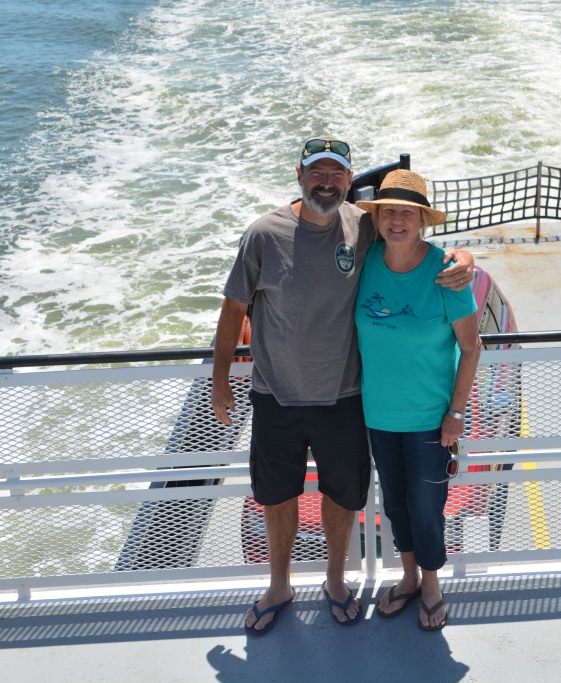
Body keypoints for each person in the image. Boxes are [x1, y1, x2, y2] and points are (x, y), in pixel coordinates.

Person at [210, 137, 474, 635]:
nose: (326, 182)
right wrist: (220, 380)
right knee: (277, 495)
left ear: (349, 183)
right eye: (317, 173)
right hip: (275, 393)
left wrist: (465, 257)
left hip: (345, 397)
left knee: (343, 494)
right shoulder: (264, 234)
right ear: (299, 175)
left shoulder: (363, 225)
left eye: (336, 175)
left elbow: (416, 243)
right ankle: (279, 584)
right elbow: (232, 308)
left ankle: (335, 581)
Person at [354, 169, 482, 631]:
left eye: (407, 212)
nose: (396, 220)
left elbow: (471, 347)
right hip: (378, 415)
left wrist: (456, 412)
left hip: (430, 418)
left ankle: (431, 583)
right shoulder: (365, 261)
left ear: (422, 220)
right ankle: (407, 576)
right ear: (378, 217)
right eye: (388, 211)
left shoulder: (446, 273)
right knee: (396, 504)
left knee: (427, 507)